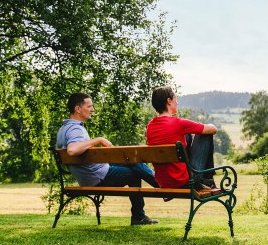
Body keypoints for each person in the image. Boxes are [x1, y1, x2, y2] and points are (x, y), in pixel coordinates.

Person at [55, 92, 160, 226]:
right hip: (97, 177)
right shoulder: (76, 129)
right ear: (78, 109)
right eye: (89, 106)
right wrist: (98, 139)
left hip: (89, 175)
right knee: (135, 172)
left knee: (132, 162)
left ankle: (151, 197)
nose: (92, 109)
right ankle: (153, 197)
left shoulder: (63, 129)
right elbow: (72, 150)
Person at [146, 85, 219, 195]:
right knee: (205, 134)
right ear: (169, 101)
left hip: (164, 182)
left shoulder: (150, 126)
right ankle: (208, 179)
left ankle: (207, 179)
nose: (177, 102)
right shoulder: (178, 123)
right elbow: (213, 129)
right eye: (176, 98)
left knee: (187, 135)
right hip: (186, 181)